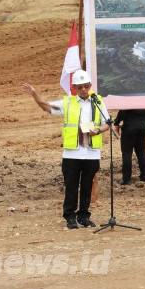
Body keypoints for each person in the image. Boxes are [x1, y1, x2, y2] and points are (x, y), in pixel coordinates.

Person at [22, 70, 111, 229]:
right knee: (71, 186)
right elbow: (47, 107)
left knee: (87, 186)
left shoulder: (98, 102)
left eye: (86, 86)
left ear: (90, 86)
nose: (83, 89)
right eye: (80, 87)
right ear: (74, 88)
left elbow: (108, 123)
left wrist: (97, 130)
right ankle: (70, 216)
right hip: (72, 153)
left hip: (91, 153)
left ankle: (83, 216)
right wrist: (35, 95)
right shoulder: (68, 102)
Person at [114, 109, 145, 185]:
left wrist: (117, 124)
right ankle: (144, 176)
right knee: (141, 152)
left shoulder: (127, 103)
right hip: (142, 128)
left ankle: (126, 179)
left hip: (129, 129)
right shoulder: (144, 104)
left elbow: (118, 119)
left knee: (127, 154)